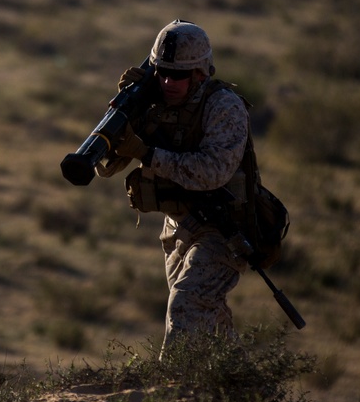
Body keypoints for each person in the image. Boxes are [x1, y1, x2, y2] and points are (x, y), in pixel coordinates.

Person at [95, 19, 250, 354]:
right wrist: (126, 110)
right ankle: (253, 396)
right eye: (161, 72)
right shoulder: (154, 100)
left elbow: (212, 172)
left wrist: (146, 153)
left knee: (186, 305)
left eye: (178, 75)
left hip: (224, 227)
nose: (168, 81)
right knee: (211, 323)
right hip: (178, 227)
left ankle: (170, 398)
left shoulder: (224, 106)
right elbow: (113, 159)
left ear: (200, 73)